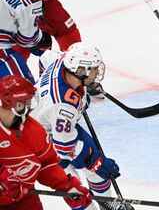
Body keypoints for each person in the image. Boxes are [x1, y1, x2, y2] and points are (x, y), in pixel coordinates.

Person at [32, 42, 133, 210]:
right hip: (42, 143)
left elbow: (44, 57)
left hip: (56, 126)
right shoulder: (63, 107)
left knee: (97, 169)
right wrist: (96, 162)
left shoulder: (61, 61)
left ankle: (104, 202)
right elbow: (65, 148)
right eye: (93, 69)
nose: (97, 72)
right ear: (80, 71)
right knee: (74, 190)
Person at [0, 75, 92, 210]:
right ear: (17, 104)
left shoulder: (34, 130)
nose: (31, 106)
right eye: (27, 101)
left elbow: (47, 164)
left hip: (24, 199)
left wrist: (68, 187)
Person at [0, 0, 52, 82]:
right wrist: (42, 39)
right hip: (1, 52)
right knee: (25, 93)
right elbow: (27, 39)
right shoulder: (29, 2)